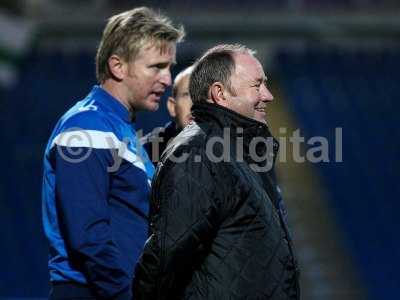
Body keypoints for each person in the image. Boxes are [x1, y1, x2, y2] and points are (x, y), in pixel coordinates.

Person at [133, 44, 300, 299]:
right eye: (257, 85)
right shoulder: (198, 153)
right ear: (220, 93)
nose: (268, 95)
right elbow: (165, 258)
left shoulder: (242, 153)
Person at [41, 7, 184, 300]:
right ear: (118, 66)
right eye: (156, 66)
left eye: (169, 67)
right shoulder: (87, 126)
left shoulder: (119, 129)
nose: (167, 79)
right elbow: (88, 237)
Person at [142, 65, 193, 164]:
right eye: (187, 94)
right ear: (172, 106)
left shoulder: (229, 148)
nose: (195, 104)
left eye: (204, 96)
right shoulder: (144, 153)